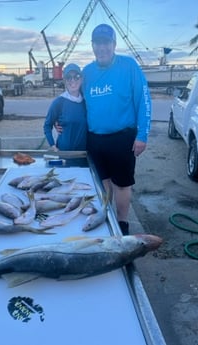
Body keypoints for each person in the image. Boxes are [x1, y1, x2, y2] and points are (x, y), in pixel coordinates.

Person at [83, 23, 151, 235]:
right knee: (102, 184)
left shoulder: (129, 66)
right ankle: (104, 218)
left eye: (106, 43)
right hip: (95, 139)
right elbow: (79, 104)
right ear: (93, 46)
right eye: (97, 43)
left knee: (122, 185)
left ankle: (122, 225)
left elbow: (144, 100)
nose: (102, 48)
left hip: (123, 138)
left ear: (113, 44)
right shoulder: (87, 72)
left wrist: (142, 135)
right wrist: (61, 122)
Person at [43, 63, 87, 152]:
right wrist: (53, 145)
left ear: (81, 79)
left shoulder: (86, 101)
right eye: (69, 77)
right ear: (64, 81)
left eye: (76, 76)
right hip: (65, 154)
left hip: (84, 154)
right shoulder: (59, 102)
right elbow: (47, 125)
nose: (73, 80)